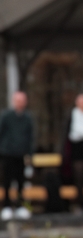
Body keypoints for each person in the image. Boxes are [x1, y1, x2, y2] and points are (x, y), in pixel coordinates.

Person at [0, 91, 35, 221]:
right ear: (13, 101)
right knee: (7, 182)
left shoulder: (27, 118)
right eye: (18, 100)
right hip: (7, 154)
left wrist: (30, 157)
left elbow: (31, 138)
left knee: (21, 182)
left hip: (22, 155)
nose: (20, 103)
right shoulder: (6, 116)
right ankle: (7, 206)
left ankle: (20, 206)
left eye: (22, 100)